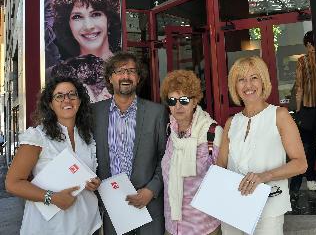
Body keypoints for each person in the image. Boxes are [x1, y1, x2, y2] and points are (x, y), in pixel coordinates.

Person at [217, 56, 307, 234]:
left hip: (269, 207)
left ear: (263, 81)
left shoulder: (279, 115)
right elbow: (221, 166)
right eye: (241, 80)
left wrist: (265, 176)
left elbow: (301, 163)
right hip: (232, 207)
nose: (248, 85)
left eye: (254, 78)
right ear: (235, 86)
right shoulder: (231, 122)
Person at [5, 76, 101, 235]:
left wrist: (94, 183)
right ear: (50, 104)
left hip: (88, 226)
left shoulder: (87, 137)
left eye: (72, 94)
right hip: (50, 228)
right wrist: (52, 197)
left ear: (80, 100)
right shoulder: (37, 136)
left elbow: (88, 175)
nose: (67, 100)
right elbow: (12, 183)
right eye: (59, 96)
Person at [92, 51, 167, 235]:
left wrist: (151, 189)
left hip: (149, 205)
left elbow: (166, 157)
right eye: (120, 71)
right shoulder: (93, 114)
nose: (126, 76)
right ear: (110, 78)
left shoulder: (156, 113)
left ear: (138, 77)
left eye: (131, 71)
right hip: (112, 207)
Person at [160, 70, 223, 235]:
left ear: (195, 102)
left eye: (184, 100)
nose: (178, 106)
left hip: (203, 227)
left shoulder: (212, 132)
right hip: (173, 226)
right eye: (173, 100)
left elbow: (226, 179)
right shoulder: (170, 132)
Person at [49, 0, 121, 102]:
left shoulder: (126, 67)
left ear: (108, 20)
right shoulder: (54, 74)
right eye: (77, 17)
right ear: (68, 24)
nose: (89, 26)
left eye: (96, 14)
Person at [290, 31, 316, 193]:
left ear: (308, 45)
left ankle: (303, 181)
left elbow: (299, 88)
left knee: (305, 146)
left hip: (308, 110)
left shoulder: (302, 61)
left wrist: (297, 110)